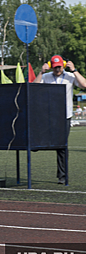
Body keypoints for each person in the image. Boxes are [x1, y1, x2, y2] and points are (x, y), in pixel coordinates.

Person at [34, 55, 86, 184]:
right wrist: (41, 72)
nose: (58, 70)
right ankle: (35, 146)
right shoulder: (46, 77)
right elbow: (33, 88)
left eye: (59, 67)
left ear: (62, 65)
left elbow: (84, 85)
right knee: (38, 137)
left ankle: (62, 176)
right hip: (48, 115)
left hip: (64, 116)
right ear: (51, 66)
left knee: (62, 147)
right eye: (55, 67)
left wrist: (74, 70)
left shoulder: (70, 76)